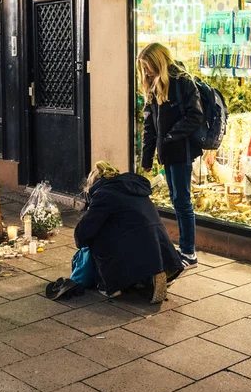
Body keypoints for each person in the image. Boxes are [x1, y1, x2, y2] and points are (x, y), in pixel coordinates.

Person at [46, 161, 183, 303]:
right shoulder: (136, 188)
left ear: (95, 182)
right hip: (161, 248)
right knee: (125, 232)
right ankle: (152, 274)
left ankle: (110, 284)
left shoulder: (104, 194)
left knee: (97, 238)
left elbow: (85, 230)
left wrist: (81, 242)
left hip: (128, 251)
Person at [138, 43, 204, 267]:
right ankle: (185, 249)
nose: (146, 72)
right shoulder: (155, 85)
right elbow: (150, 126)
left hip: (181, 151)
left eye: (148, 67)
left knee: (182, 201)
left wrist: (169, 137)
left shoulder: (182, 82)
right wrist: (147, 157)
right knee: (177, 200)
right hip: (167, 152)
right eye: (143, 68)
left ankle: (189, 252)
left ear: (158, 62)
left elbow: (196, 116)